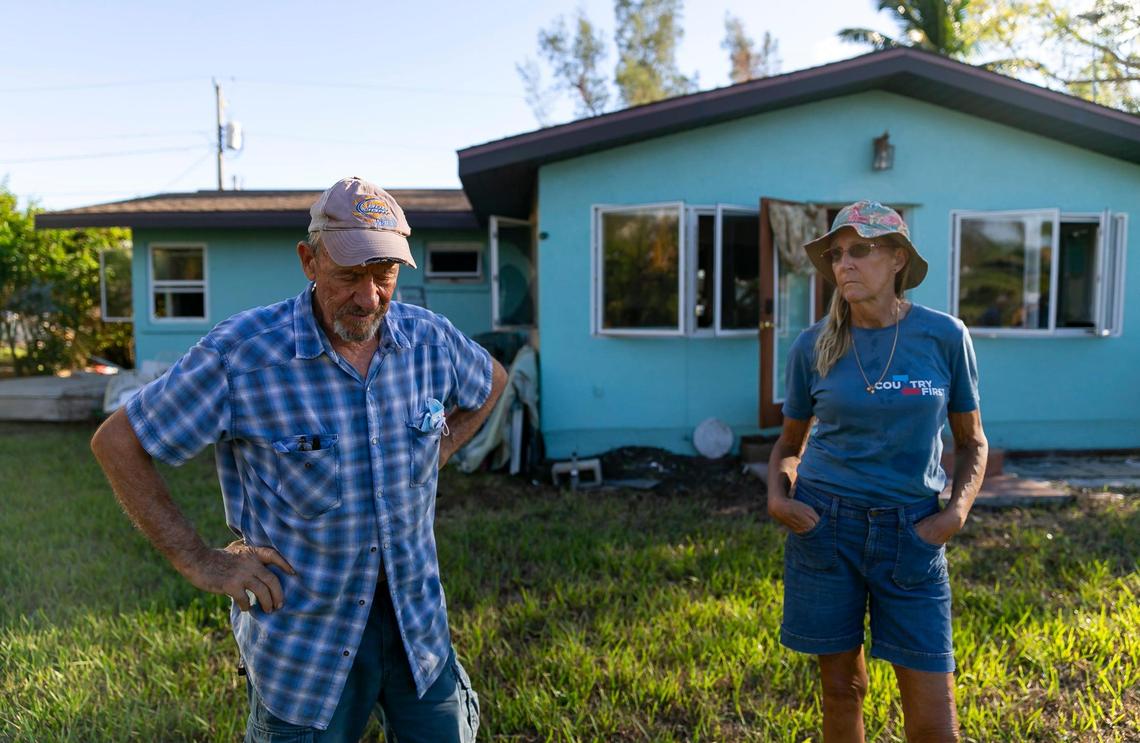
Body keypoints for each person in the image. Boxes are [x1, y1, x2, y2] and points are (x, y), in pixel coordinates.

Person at [90, 176, 508, 742]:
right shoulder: (245, 355)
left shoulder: (430, 341)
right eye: (349, 275)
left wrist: (442, 448)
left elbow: (491, 381)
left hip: (419, 633)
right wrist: (202, 563)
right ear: (309, 261)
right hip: (305, 650)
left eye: (384, 275)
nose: (369, 298)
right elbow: (119, 442)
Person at [766, 201, 988, 742]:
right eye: (837, 254)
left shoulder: (944, 336)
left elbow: (971, 441)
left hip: (911, 535)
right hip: (825, 530)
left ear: (896, 259)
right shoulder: (812, 346)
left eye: (860, 250)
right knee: (843, 692)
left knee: (935, 723)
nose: (844, 263)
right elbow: (788, 446)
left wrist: (953, 515)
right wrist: (778, 497)